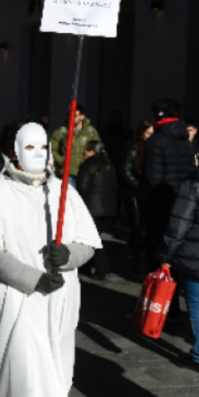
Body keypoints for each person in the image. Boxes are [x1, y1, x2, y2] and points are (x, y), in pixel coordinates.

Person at [0, 121, 100, 397]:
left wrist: (68, 255)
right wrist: (32, 278)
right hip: (15, 302)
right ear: (15, 151)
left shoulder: (64, 192)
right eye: (29, 147)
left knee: (53, 375)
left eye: (42, 147)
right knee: (19, 378)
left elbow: (88, 242)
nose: (37, 153)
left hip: (57, 304)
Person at [156, 163, 199, 372]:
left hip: (198, 258)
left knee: (198, 306)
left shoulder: (194, 184)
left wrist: (166, 255)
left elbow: (178, 225)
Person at [143, 99, 197, 272]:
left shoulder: (156, 141)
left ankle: (161, 297)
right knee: (176, 251)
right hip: (183, 202)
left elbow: (153, 179)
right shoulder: (186, 141)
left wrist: (145, 202)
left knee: (158, 253)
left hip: (161, 203)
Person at [77, 140, 119, 281]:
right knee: (95, 237)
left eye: (86, 149)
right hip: (108, 208)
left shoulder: (87, 165)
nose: (83, 152)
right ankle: (87, 266)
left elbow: (82, 187)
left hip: (92, 208)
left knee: (93, 239)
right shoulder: (109, 165)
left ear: (91, 151)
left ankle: (102, 269)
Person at [122, 119, 154, 277]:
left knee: (146, 229)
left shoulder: (154, 148)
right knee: (136, 228)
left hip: (147, 193)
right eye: (148, 133)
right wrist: (140, 186)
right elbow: (126, 172)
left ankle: (142, 259)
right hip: (134, 194)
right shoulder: (135, 149)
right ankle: (135, 260)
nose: (150, 136)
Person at [51, 104, 101, 185]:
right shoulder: (62, 131)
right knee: (69, 196)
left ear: (82, 116)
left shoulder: (90, 132)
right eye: (69, 115)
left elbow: (99, 149)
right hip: (68, 173)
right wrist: (61, 160)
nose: (71, 118)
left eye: (75, 115)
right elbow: (52, 149)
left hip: (86, 172)